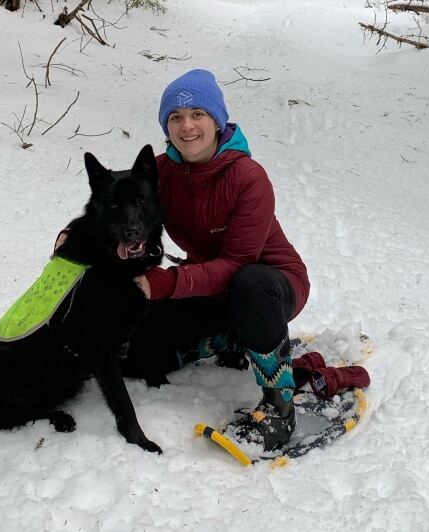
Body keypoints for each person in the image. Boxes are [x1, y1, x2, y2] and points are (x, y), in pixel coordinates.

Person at [124, 69, 311, 452]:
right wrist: (72, 236)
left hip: (270, 284)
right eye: (175, 117)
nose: (186, 125)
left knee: (249, 284)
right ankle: (232, 340)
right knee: (142, 357)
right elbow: (119, 206)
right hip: (210, 286)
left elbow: (238, 263)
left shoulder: (247, 177)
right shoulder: (160, 172)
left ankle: (279, 406)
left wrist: (166, 282)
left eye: (198, 114)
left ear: (216, 120)